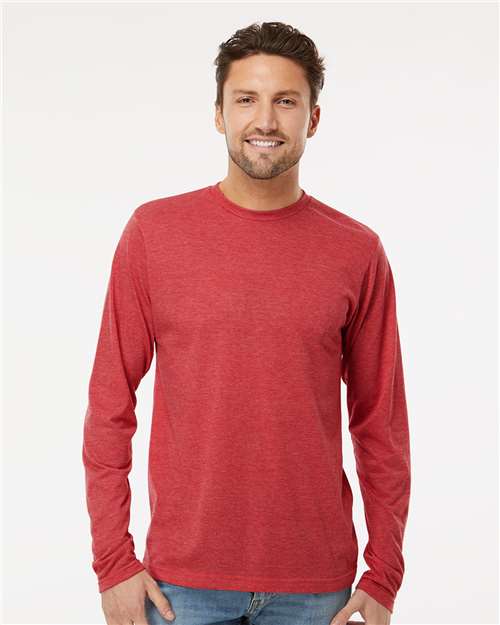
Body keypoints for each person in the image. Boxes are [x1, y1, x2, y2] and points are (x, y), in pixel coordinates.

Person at [82, 20, 411, 625]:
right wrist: (113, 562)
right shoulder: (154, 235)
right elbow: (109, 404)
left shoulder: (357, 251)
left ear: (313, 118)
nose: (265, 120)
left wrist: (384, 572)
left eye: (285, 101)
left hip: (318, 590)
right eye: (245, 99)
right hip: (179, 585)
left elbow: (381, 425)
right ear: (218, 114)